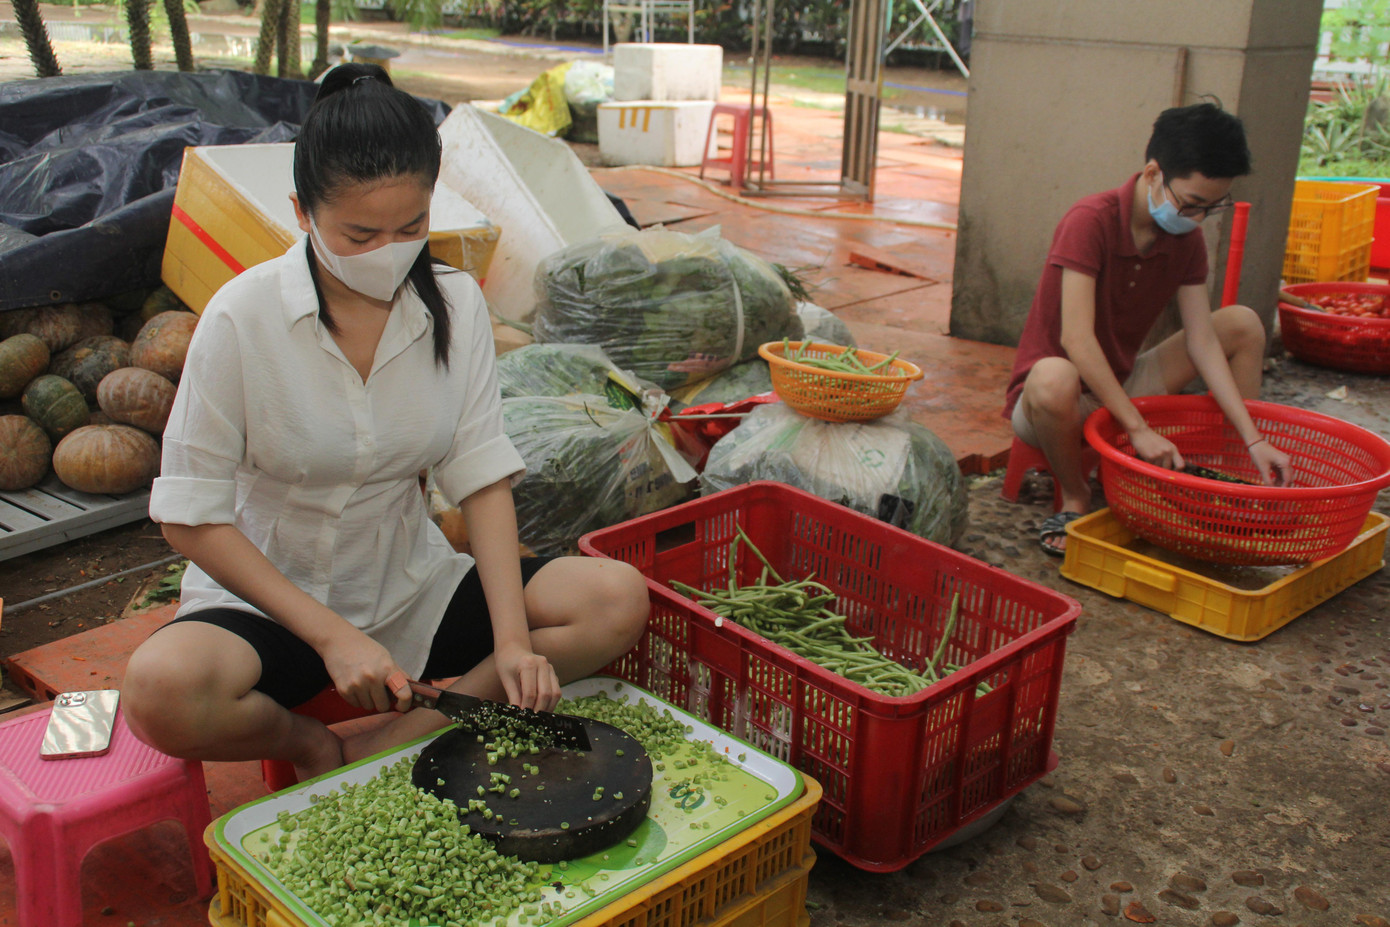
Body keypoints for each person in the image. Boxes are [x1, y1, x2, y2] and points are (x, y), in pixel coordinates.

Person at [122, 64, 650, 780]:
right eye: (361, 233)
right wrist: (332, 636)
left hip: (407, 587)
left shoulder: (456, 306)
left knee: (614, 599)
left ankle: (412, 731)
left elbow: (482, 480)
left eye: (412, 226)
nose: (390, 252)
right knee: (160, 690)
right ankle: (308, 744)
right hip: (273, 603)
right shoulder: (241, 319)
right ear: (301, 212)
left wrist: (515, 641)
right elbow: (189, 517)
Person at [1002, 102, 1292, 555]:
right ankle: (1076, 495)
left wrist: (1255, 436)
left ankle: (1233, 472)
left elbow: (1202, 340)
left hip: (1123, 380)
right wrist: (1137, 428)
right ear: (1154, 173)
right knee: (1055, 375)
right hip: (1056, 401)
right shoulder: (1090, 221)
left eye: (1211, 207)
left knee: (1242, 324)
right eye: (1192, 203)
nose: (1197, 217)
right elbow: (1077, 340)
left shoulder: (1186, 239)